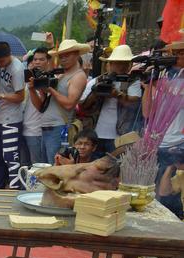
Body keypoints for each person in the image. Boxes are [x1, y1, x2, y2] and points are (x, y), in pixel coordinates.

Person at [143, 39, 184, 218]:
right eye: (175, 53)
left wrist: (159, 83)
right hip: (156, 141)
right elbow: (147, 112)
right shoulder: (166, 76)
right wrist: (148, 85)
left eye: (182, 52)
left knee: (170, 196)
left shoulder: (167, 81)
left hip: (178, 144)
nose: (177, 56)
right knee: (150, 195)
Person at [79, 45, 141, 154]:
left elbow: (134, 104)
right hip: (95, 134)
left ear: (130, 65)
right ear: (110, 64)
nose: (121, 66)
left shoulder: (133, 82)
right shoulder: (97, 81)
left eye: (125, 63)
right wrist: (95, 94)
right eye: (118, 62)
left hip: (121, 136)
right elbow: (83, 106)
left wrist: (117, 95)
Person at [34, 39, 89, 160]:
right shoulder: (62, 74)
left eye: (67, 55)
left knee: (55, 167)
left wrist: (51, 91)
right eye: (61, 55)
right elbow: (45, 102)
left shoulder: (78, 76)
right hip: (48, 126)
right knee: (45, 167)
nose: (63, 58)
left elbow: (70, 104)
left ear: (76, 54)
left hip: (59, 128)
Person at [0, 41, 26, 189]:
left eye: (2, 61)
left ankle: (14, 191)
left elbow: (20, 96)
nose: (0, 64)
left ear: (9, 55)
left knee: (10, 158)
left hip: (12, 120)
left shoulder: (17, 69)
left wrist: (1, 96)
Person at [21, 47, 51, 166]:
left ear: (48, 61)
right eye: (35, 59)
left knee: (36, 167)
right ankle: (24, 186)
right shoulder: (27, 79)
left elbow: (42, 107)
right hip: (22, 128)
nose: (37, 62)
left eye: (41, 59)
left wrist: (34, 89)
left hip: (36, 131)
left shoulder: (48, 81)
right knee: (23, 165)